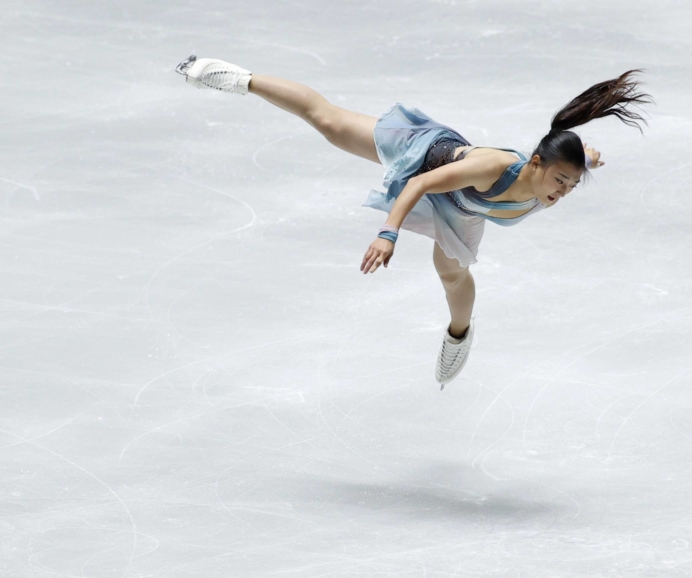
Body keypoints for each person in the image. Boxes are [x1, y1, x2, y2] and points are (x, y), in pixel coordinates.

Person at [174, 56, 651, 389]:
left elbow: (574, 154)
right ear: (533, 162)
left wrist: (585, 157)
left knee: (452, 273)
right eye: (560, 180)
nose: (562, 192)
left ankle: (458, 336)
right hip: (425, 163)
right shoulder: (491, 167)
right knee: (329, 122)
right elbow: (418, 187)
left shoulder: (555, 173)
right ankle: (234, 77)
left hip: (465, 209)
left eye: (571, 186)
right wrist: (387, 233)